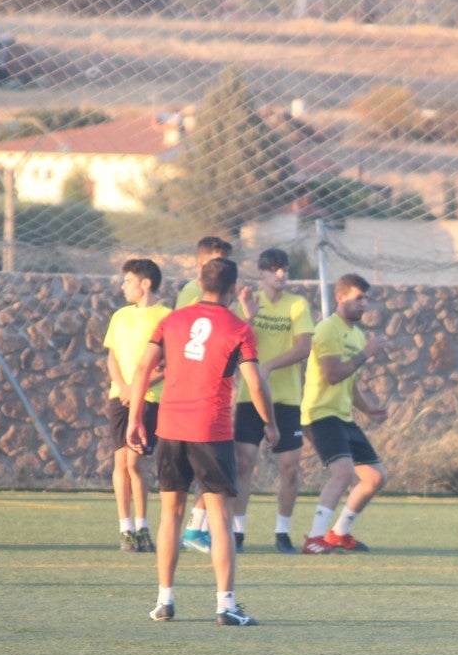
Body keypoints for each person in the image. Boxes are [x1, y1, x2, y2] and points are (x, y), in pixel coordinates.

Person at [127, 257, 278, 626]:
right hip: (210, 430)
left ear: (198, 282)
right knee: (221, 519)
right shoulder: (239, 328)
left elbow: (144, 368)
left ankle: (165, 601)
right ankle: (225, 605)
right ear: (231, 289)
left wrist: (134, 418)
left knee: (171, 516)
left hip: (170, 427)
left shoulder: (171, 320)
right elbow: (255, 382)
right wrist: (269, 423)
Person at [299, 273, 389, 554]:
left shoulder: (357, 334)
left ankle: (339, 533)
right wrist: (366, 354)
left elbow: (349, 384)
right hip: (320, 414)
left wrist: (368, 408)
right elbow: (334, 374)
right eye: (358, 297)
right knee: (343, 473)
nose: (364, 303)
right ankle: (314, 538)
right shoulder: (327, 330)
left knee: (376, 477)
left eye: (366, 298)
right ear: (341, 298)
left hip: (343, 417)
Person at [233, 248, 314, 554]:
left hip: (286, 398)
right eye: (276, 269)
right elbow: (234, 343)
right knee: (243, 463)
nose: (282, 274)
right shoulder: (248, 300)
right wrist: (248, 316)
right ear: (262, 274)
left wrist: (268, 366)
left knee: (290, 467)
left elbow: (304, 347)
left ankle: (282, 533)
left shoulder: (297, 305)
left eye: (285, 269)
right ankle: (237, 532)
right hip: (249, 398)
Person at [103, 258, 171, 553]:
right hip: (120, 397)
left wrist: (140, 389)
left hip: (150, 399)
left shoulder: (167, 316)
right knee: (120, 463)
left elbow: (169, 364)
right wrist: (125, 388)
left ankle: (143, 526)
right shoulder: (119, 316)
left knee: (135, 463)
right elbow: (112, 357)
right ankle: (126, 529)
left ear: (145, 284)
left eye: (128, 280)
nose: (123, 286)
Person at [175, 236, 234, 554]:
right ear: (201, 264)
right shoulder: (191, 295)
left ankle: (196, 529)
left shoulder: (224, 301)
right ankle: (192, 530)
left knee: (216, 470)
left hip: (210, 395)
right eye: (217, 261)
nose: (222, 267)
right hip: (192, 398)